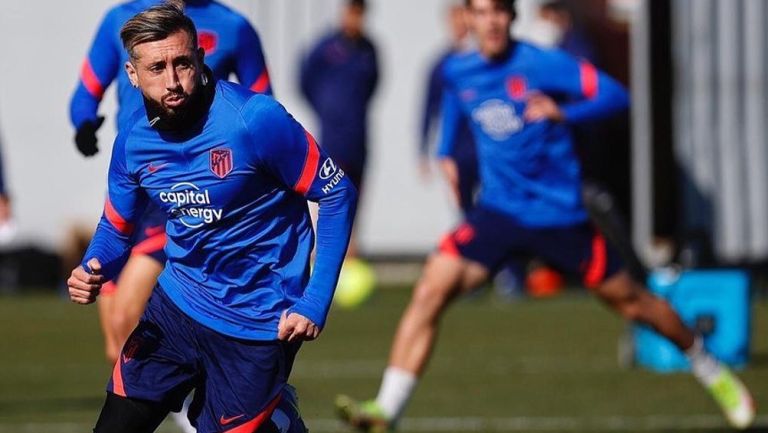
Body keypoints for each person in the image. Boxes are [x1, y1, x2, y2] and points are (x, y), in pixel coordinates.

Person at [335, 0, 755, 431]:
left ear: (512, 18)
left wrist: (565, 112)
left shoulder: (545, 64)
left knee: (634, 304)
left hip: (559, 217)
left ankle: (710, 369)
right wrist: (444, 154)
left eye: (500, 12)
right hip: (497, 213)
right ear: (468, 19)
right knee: (430, 289)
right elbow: (455, 106)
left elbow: (614, 95)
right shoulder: (458, 70)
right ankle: (387, 409)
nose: (491, 22)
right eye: (482, 12)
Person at [66, 3, 356, 433]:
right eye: (157, 67)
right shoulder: (133, 143)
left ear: (200, 58)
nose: (172, 81)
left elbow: (336, 193)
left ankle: (278, 419)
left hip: (257, 319)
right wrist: (93, 266)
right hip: (175, 307)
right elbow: (115, 227)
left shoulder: (253, 120)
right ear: (132, 75)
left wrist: (315, 300)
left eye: (182, 63)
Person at [70, 0, 273, 368]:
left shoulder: (234, 26)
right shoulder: (120, 20)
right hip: (134, 185)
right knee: (119, 345)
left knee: (126, 320)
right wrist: (84, 124)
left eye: (181, 63)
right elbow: (86, 91)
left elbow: (262, 103)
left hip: (187, 186)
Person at [300, 0, 378, 262]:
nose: (355, 19)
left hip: (359, 137)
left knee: (356, 197)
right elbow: (304, 80)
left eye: (360, 13)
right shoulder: (326, 48)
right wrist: (327, 108)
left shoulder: (368, 50)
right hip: (333, 138)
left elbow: (373, 84)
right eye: (351, 12)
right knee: (332, 194)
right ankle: (321, 255)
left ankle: (351, 255)